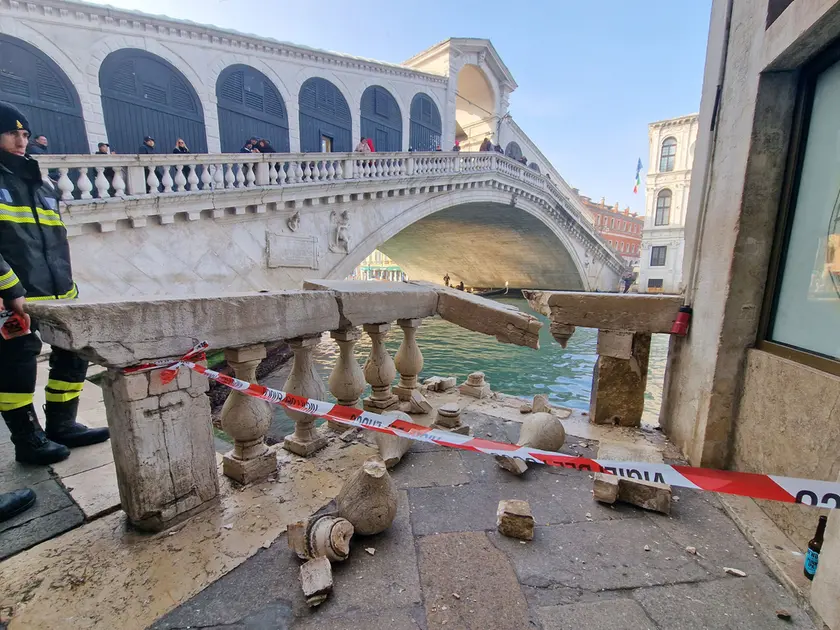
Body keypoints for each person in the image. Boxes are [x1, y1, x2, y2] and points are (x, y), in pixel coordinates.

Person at [0, 102, 110, 465]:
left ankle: (62, 424)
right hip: (11, 296)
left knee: (73, 353)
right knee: (17, 365)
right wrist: (11, 291)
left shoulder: (43, 183)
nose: (21, 140)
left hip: (58, 290)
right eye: (12, 133)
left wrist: (69, 287)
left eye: (25, 134)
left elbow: (54, 241)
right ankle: (27, 440)